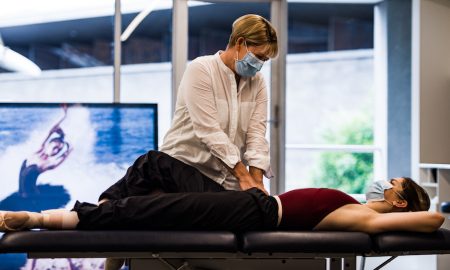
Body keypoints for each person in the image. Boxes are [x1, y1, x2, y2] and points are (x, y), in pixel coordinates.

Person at [0, 177, 444, 234]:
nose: (379, 183)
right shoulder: (362, 206)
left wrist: (420, 211)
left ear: (399, 201)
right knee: (157, 177)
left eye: (389, 184)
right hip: (253, 202)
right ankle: (102, 223)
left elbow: (435, 217)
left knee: (159, 210)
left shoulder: (366, 215)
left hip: (253, 214)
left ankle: (39, 219)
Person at [157, 13, 278, 195]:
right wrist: (244, 177)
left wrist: (257, 183)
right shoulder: (201, 70)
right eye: (258, 56)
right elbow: (209, 131)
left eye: (265, 60)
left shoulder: (257, 82)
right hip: (183, 170)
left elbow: (256, 134)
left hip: (228, 179)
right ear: (239, 43)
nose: (260, 64)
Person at [19, 105, 72, 198]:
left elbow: (69, 151)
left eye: (58, 150)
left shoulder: (49, 163)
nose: (56, 150)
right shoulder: (40, 151)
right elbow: (51, 131)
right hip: (21, 194)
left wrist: (67, 149)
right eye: (55, 146)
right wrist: (64, 116)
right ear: (49, 143)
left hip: (31, 198)